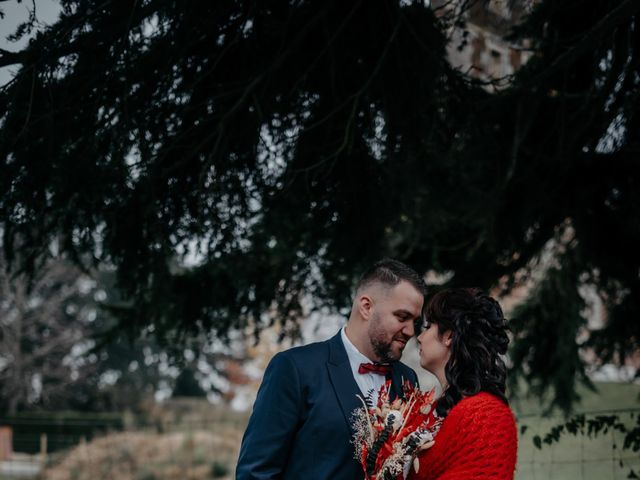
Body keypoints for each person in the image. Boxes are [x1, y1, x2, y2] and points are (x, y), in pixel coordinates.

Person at [236, 259, 427, 480]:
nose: (411, 331)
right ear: (366, 307)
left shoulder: (407, 379)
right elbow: (255, 472)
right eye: (402, 317)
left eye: (415, 321)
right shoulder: (296, 368)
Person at [409, 288, 517, 480]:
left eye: (428, 326)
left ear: (449, 336)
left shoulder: (486, 414)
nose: (419, 337)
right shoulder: (435, 409)